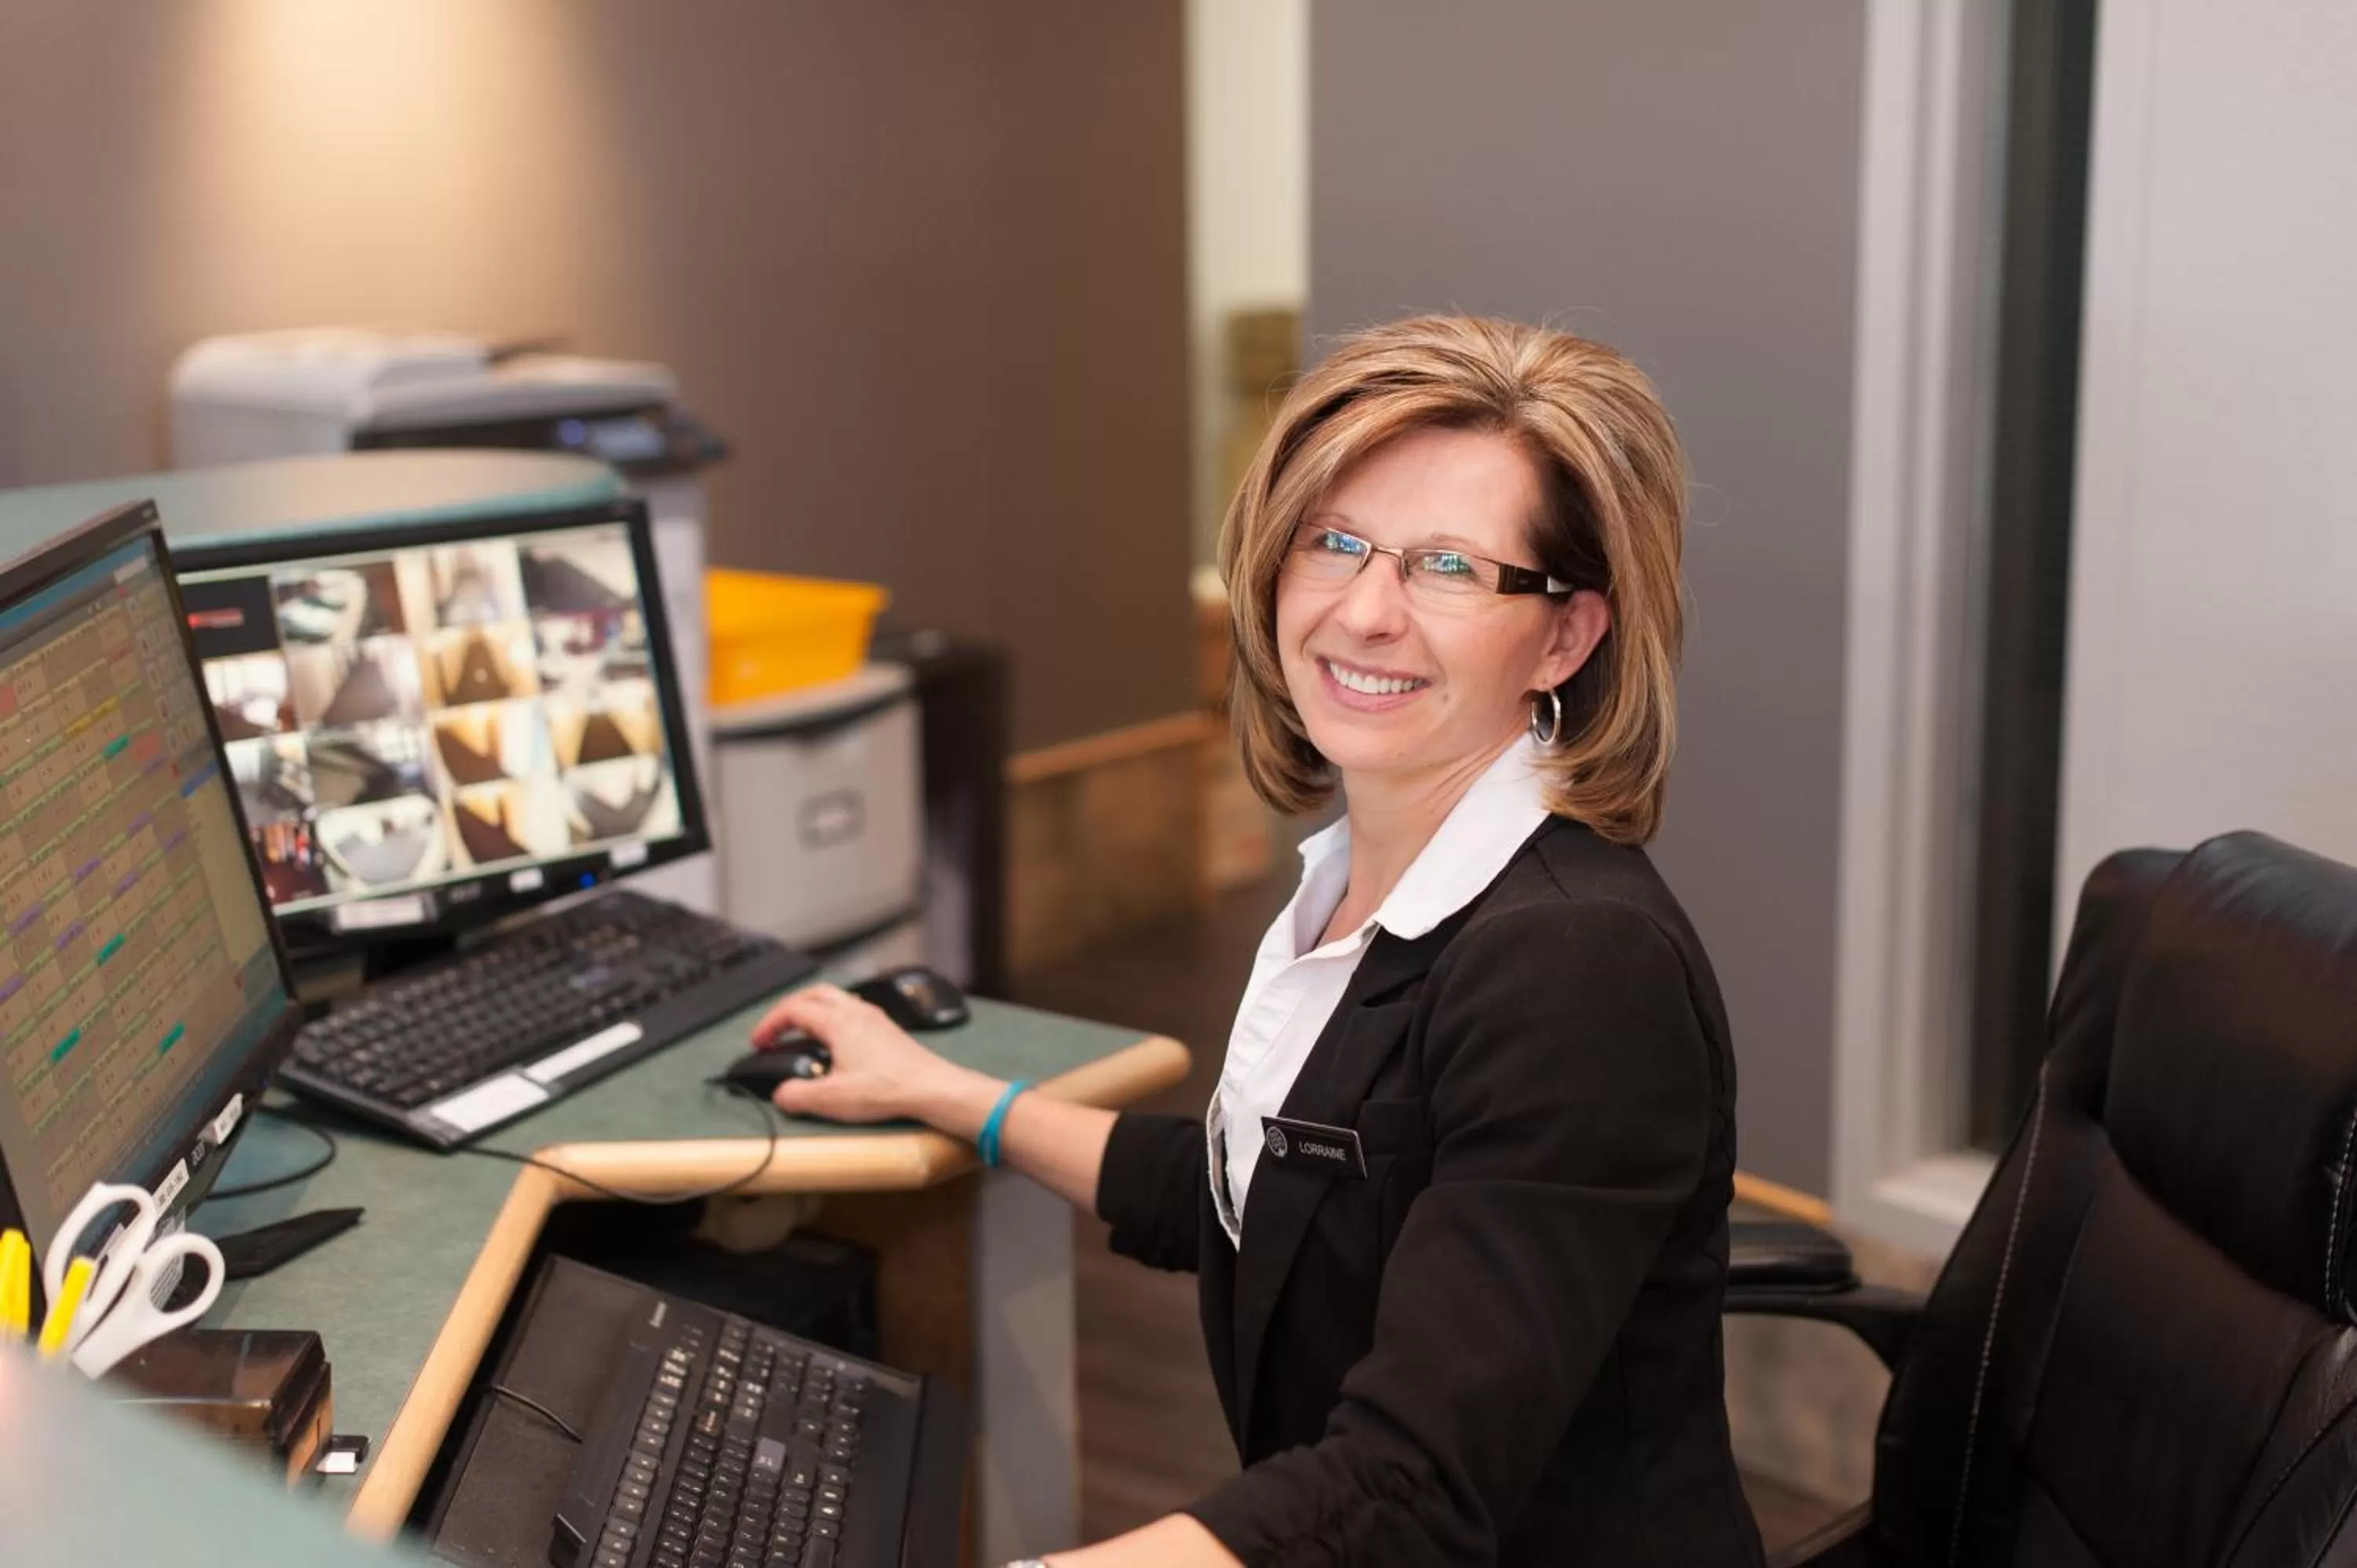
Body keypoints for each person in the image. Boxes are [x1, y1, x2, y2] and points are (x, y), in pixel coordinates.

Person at [748, 315, 1765, 1566]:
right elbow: (1262, 1194)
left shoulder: (1576, 971)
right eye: (1334, 544)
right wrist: (957, 1097)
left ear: (1565, 634)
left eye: (1448, 568)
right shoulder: (1357, 887)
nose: (1366, 611)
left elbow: (1406, 1489)